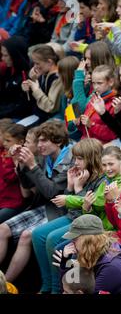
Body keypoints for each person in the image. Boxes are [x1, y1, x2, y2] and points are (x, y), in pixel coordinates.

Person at [0, 120, 72, 286]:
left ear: (59, 141)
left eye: (44, 140)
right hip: (44, 206)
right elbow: (28, 188)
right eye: (38, 140)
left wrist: (32, 165)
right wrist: (21, 164)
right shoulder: (45, 158)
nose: (39, 145)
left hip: (61, 211)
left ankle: (5, 286)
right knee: (2, 229)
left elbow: (51, 192)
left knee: (26, 235)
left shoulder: (69, 159)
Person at [32, 138, 104, 294]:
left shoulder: (100, 180)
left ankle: (58, 289)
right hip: (73, 217)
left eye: (80, 158)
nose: (76, 162)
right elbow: (69, 210)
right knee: (37, 234)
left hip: (87, 222)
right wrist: (70, 186)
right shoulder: (82, 174)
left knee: (52, 238)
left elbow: (86, 213)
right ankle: (47, 284)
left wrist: (77, 189)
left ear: (91, 159)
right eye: (75, 158)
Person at [55, 214, 121, 294]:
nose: (72, 243)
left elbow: (72, 290)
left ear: (88, 240)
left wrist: (68, 264)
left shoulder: (111, 267)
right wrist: (66, 261)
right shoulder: (94, 251)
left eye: (75, 239)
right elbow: (68, 288)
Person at [82, 146, 121, 231]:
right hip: (100, 229)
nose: (108, 169)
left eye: (111, 164)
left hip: (113, 231)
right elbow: (96, 212)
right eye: (104, 165)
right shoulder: (104, 182)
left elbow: (98, 203)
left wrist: (68, 199)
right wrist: (87, 208)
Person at [21, 44, 63, 123]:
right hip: (38, 115)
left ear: (49, 62)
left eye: (37, 63)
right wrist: (32, 83)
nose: (35, 67)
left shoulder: (57, 78)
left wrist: (36, 89)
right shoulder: (44, 73)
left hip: (50, 120)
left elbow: (51, 107)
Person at [76, 65, 118, 144]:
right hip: (86, 143)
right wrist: (80, 123)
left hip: (100, 147)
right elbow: (85, 130)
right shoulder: (94, 98)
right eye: (93, 83)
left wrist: (91, 124)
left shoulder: (115, 103)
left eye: (99, 83)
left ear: (111, 82)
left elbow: (112, 134)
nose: (95, 87)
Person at [0, 124, 27, 223]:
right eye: (4, 140)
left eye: (8, 141)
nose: (4, 143)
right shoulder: (3, 152)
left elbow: (11, 177)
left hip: (13, 202)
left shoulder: (21, 158)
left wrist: (14, 159)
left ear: (21, 142)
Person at [0, 35, 32, 120]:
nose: (3, 59)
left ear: (15, 55)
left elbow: (21, 107)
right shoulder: (8, 69)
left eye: (6, 55)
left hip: (17, 117)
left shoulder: (27, 76)